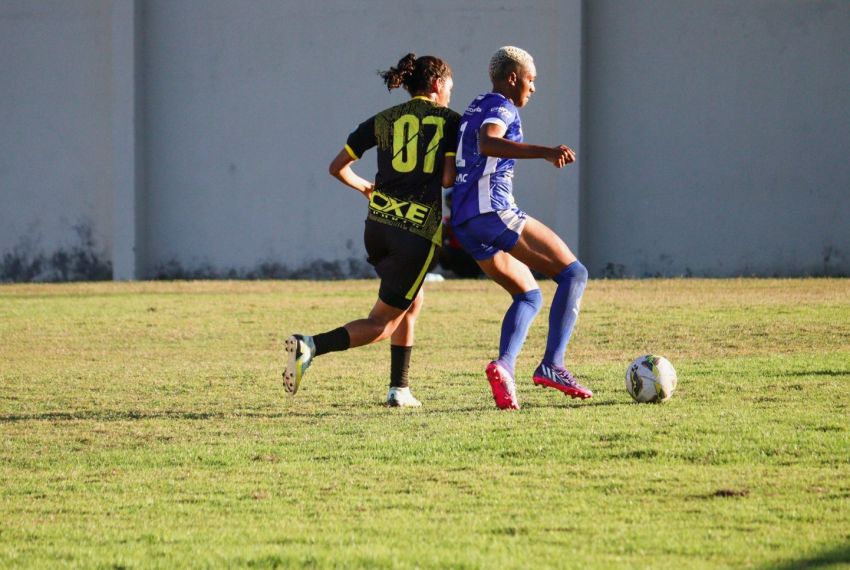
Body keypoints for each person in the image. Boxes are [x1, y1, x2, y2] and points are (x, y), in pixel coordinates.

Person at [283, 53, 460, 407]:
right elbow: (446, 178)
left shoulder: (382, 120)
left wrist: (366, 188)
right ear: (439, 85)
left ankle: (400, 388)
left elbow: (337, 168)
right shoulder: (449, 121)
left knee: (412, 300)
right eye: (450, 88)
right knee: (382, 323)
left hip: (377, 228)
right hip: (416, 231)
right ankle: (311, 345)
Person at [451, 46, 591, 410]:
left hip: (466, 222)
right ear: (512, 77)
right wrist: (545, 151)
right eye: (531, 79)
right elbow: (489, 142)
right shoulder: (501, 105)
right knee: (574, 274)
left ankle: (505, 367)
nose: (533, 87)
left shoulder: (475, 104)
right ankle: (553, 365)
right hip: (493, 211)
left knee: (530, 295)